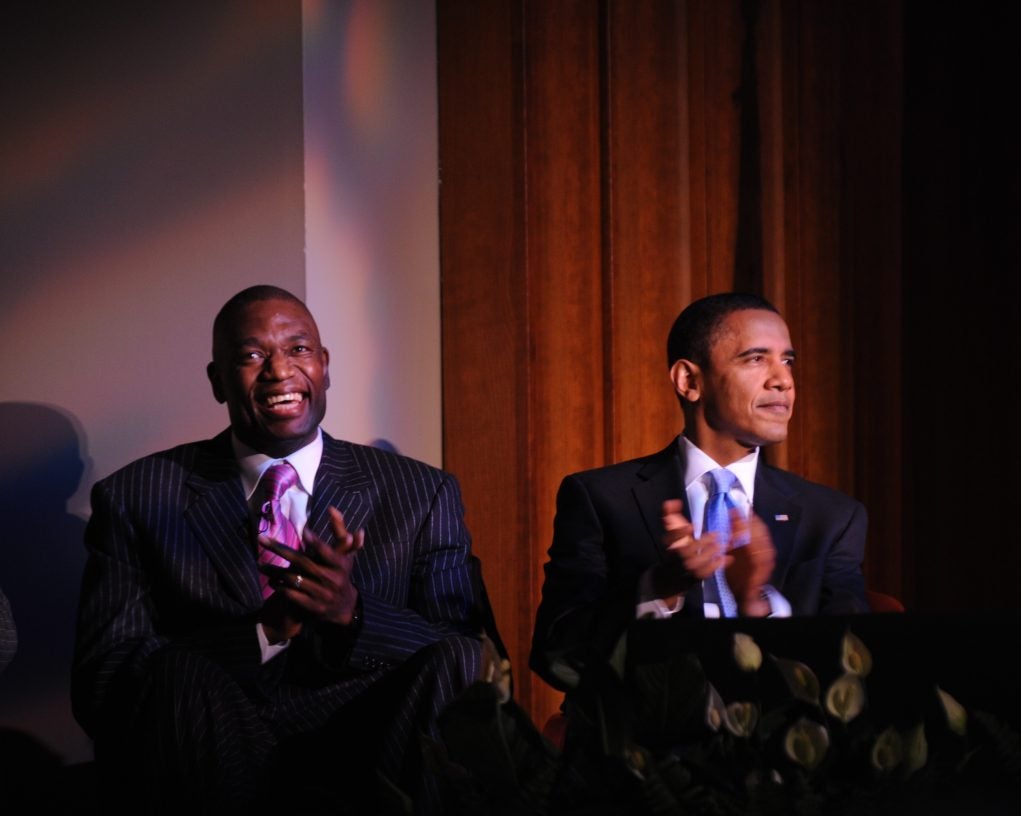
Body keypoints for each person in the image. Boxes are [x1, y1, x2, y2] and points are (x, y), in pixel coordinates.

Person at [72, 285, 502, 816]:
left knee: (461, 659)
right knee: (171, 669)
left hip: (374, 739)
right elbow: (104, 680)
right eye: (252, 356)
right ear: (217, 382)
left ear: (324, 366)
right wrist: (263, 632)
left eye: (298, 350)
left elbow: (469, 653)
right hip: (210, 740)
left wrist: (353, 614)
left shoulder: (419, 491)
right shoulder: (138, 496)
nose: (278, 371)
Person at [530, 291, 868, 696]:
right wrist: (660, 589)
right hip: (643, 745)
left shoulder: (831, 517)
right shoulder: (601, 499)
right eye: (757, 358)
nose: (783, 380)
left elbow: (850, 667)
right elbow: (557, 654)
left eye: (788, 360)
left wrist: (756, 605)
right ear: (689, 381)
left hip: (775, 747)